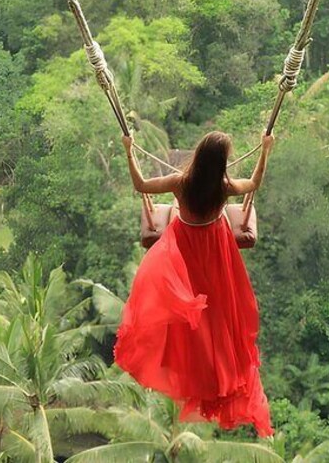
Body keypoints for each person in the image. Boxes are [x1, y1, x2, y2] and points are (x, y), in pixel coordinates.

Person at [114, 131, 275, 437]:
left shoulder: (180, 183)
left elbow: (141, 186)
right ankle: (219, 377)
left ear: (198, 156)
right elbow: (254, 184)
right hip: (216, 250)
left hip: (185, 248)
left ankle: (186, 368)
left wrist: (129, 151)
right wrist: (265, 150)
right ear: (220, 164)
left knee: (187, 316)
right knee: (219, 316)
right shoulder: (223, 187)